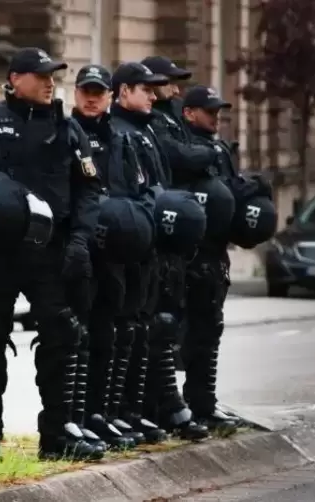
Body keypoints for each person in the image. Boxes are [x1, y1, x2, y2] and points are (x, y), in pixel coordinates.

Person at [0, 47, 105, 462]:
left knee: (62, 335)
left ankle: (57, 431)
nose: (50, 82)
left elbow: (88, 193)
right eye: (41, 75)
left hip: (52, 254)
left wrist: (81, 242)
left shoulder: (68, 131)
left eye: (53, 75)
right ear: (14, 78)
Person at [108, 61, 206, 442]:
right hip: (132, 242)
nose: (153, 95)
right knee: (126, 330)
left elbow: (159, 184)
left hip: (155, 245)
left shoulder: (145, 129)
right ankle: (127, 411)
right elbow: (129, 192)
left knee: (156, 326)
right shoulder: (119, 133)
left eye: (154, 89)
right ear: (124, 92)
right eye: (144, 89)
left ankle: (155, 407)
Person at [70, 64, 154, 449]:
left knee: (111, 332)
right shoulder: (65, 133)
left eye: (98, 92)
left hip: (116, 251)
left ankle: (101, 414)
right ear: (75, 93)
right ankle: (73, 419)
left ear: (109, 96)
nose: (91, 98)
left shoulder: (120, 138)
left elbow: (140, 188)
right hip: (81, 249)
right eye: (86, 91)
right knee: (77, 335)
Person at [179, 85, 244, 432]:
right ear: (189, 112)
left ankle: (204, 403)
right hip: (184, 255)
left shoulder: (219, 149)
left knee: (208, 333)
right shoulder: (180, 146)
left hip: (215, 255)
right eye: (209, 110)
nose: (216, 115)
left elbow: (229, 192)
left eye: (218, 109)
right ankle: (170, 408)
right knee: (166, 334)